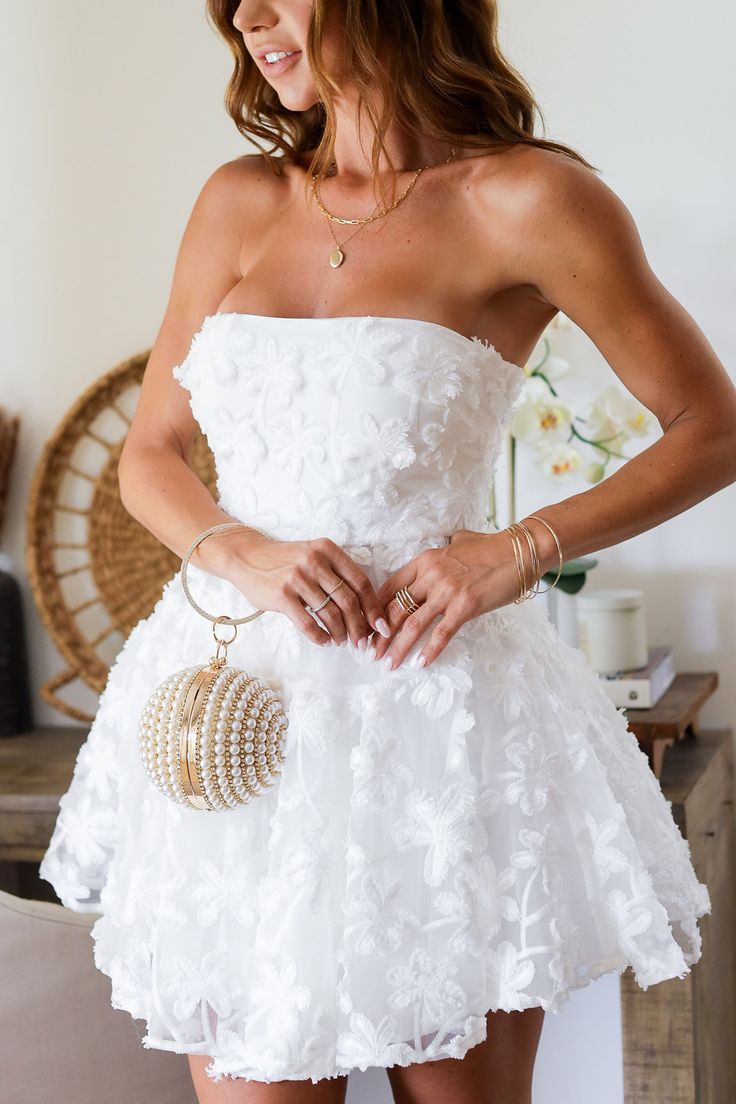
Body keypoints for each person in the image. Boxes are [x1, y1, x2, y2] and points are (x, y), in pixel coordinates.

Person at [39, 1, 736, 1102]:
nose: (248, 18)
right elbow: (153, 455)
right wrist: (239, 550)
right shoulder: (237, 202)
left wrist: (517, 551)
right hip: (230, 716)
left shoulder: (530, 199)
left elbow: (714, 426)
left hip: (435, 711)